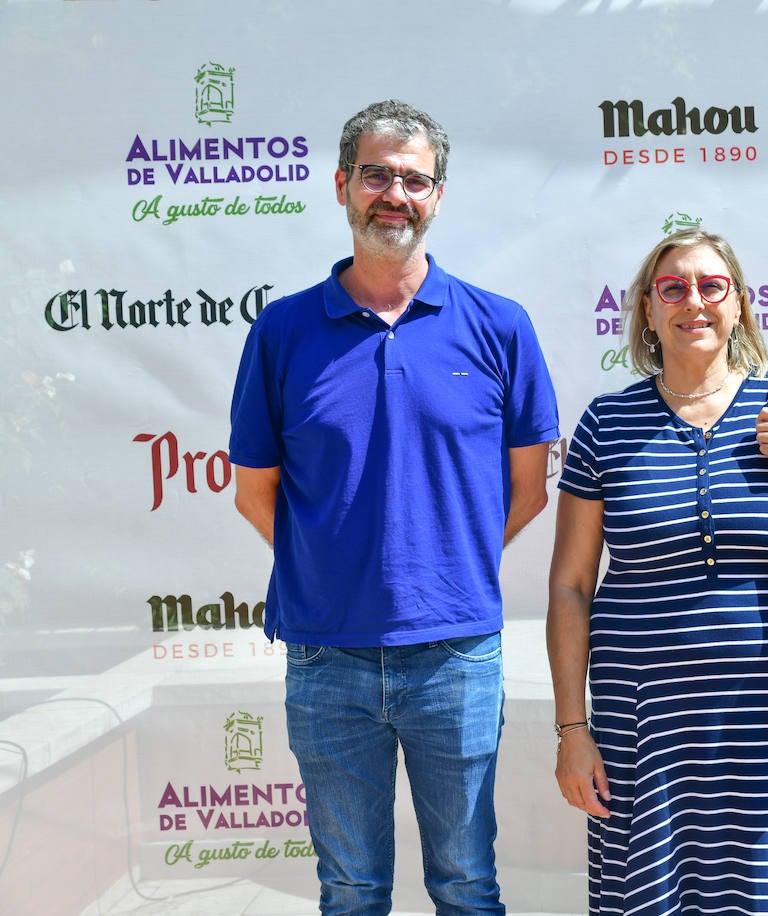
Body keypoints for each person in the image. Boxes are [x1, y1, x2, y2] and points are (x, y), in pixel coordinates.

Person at [229, 99, 559, 915]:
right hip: (325, 658)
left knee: (467, 884)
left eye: (414, 179)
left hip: (457, 655)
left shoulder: (500, 326)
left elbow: (528, 489)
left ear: (438, 195)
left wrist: (446, 565)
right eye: (376, 174)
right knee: (349, 889)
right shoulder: (282, 331)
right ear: (342, 185)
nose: (394, 194)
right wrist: (334, 567)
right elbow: (254, 492)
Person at [546, 228, 768, 915]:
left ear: (738, 306)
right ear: (646, 310)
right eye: (672, 287)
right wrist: (572, 732)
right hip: (642, 727)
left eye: (711, 286)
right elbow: (570, 586)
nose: (692, 301)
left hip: (767, 723)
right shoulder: (606, 424)